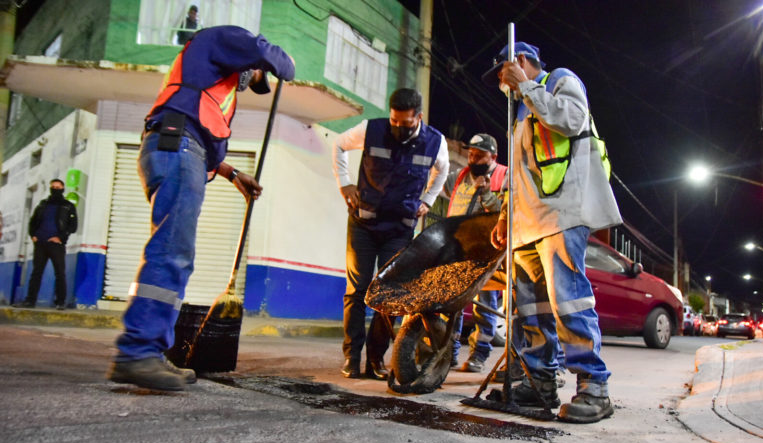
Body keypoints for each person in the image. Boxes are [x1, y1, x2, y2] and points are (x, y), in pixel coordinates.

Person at [107, 26, 295, 391]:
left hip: (176, 147)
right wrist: (283, 61)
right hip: (177, 147)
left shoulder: (209, 76)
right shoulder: (220, 38)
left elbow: (198, 129)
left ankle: (151, 348)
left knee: (174, 253)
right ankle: (138, 352)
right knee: (171, 253)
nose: (253, 80)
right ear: (251, 63)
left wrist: (231, 172)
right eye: (257, 74)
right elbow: (267, 53)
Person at [484, 42, 622, 423]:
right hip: (525, 226)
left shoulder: (558, 81)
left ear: (521, 63)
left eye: (503, 76)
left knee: (569, 303)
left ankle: (594, 387)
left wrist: (526, 88)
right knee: (530, 310)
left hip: (561, 216)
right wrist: (504, 217)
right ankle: (537, 382)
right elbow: (517, 174)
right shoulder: (520, 113)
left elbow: (571, 120)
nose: (502, 85)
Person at [332, 88, 449, 380]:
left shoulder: (435, 141)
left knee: (389, 296)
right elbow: (338, 145)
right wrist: (344, 184)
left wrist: (429, 200)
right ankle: (352, 357)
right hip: (364, 225)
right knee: (356, 291)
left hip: (399, 229)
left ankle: (376, 359)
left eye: (405, 124)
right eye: (394, 122)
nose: (397, 128)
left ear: (418, 117)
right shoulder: (372, 129)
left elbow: (442, 171)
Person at [440, 133, 507, 372]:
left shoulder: (504, 176)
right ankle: (449, 352)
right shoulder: (458, 176)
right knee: (452, 304)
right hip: (458, 249)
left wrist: (487, 194)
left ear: (493, 156)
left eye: (480, 155)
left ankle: (479, 355)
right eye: (471, 153)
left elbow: (505, 212)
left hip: (487, 251)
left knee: (483, 305)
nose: (474, 158)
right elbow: (438, 183)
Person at [16, 179, 77, 310]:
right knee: (36, 272)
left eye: (58, 187)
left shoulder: (68, 206)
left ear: (63, 188)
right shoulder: (43, 204)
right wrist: (33, 235)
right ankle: (30, 301)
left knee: (60, 273)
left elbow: (73, 226)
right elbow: (33, 221)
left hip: (57, 245)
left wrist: (60, 238)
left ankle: (60, 302)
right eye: (53, 187)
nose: (55, 189)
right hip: (40, 244)